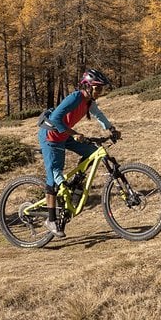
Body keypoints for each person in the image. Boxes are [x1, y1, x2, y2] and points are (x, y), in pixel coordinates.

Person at [39, 68, 120, 238]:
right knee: (54, 177)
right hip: (51, 136)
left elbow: (99, 115)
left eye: (101, 88)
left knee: (93, 152)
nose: (100, 91)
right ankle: (51, 219)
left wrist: (111, 129)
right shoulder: (75, 97)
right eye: (97, 88)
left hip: (65, 135)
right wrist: (74, 134)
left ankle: (76, 182)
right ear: (88, 86)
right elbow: (54, 119)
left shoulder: (89, 101)